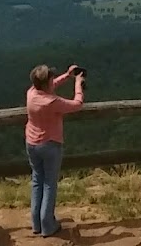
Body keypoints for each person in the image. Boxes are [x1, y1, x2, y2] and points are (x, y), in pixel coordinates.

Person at [26, 63, 85, 238]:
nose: (54, 80)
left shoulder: (31, 93)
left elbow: (51, 86)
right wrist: (78, 83)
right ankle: (47, 225)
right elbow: (77, 104)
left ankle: (36, 223)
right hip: (50, 145)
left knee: (37, 180)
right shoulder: (52, 102)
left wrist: (67, 75)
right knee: (49, 183)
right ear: (47, 83)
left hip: (31, 143)